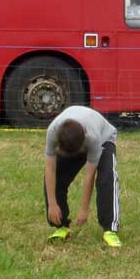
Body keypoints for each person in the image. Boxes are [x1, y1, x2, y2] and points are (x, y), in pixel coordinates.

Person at [44, 105, 121, 247]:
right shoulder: (53, 132)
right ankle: (61, 226)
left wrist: (84, 209)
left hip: (105, 138)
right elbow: (50, 169)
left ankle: (110, 230)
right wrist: (52, 204)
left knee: (106, 179)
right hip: (74, 140)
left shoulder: (93, 138)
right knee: (58, 176)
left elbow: (89, 176)